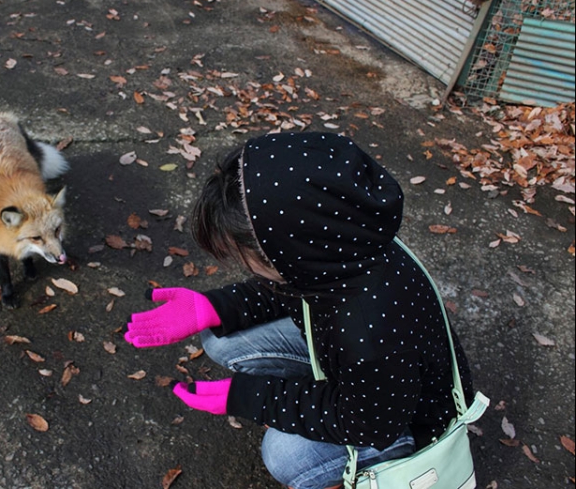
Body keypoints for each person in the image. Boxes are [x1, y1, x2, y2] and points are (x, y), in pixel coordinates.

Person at [124, 132, 474, 489]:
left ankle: (359, 471)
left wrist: (257, 398)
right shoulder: (342, 240)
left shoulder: (368, 329)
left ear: (288, 252)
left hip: (397, 420)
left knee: (286, 454)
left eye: (245, 257)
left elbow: (366, 423)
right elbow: (285, 290)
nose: (243, 268)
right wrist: (216, 306)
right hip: (361, 371)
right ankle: (309, 404)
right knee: (221, 339)